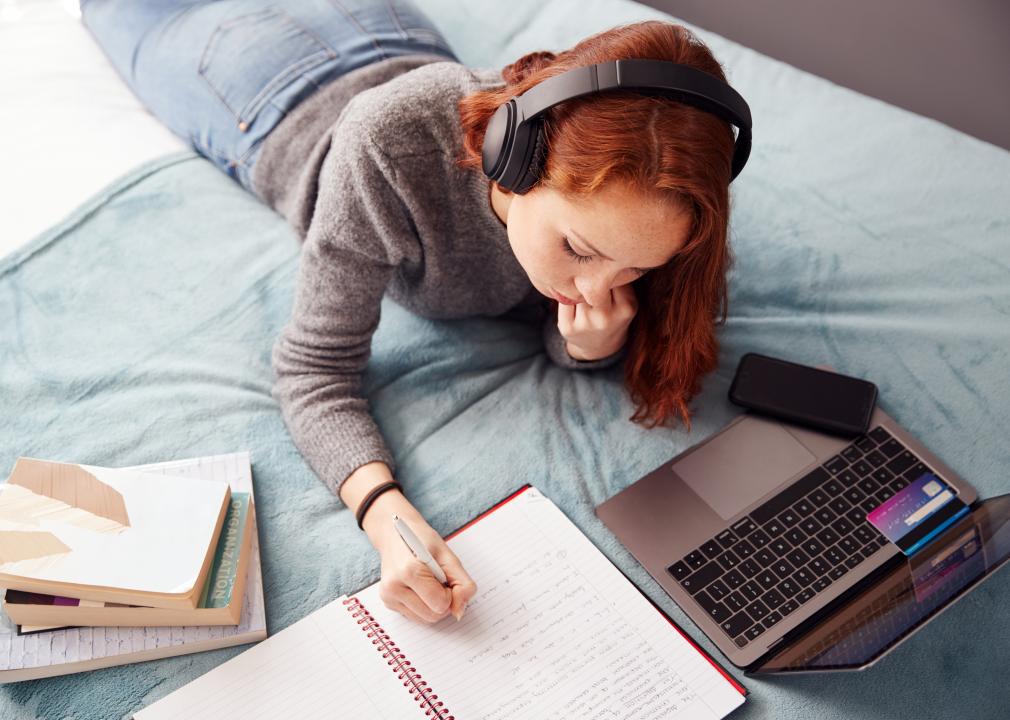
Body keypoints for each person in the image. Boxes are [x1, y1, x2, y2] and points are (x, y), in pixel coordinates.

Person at [81, 1, 745, 627]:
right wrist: (383, 514)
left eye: (635, 268)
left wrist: (592, 345)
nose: (600, 288)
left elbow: (585, 314)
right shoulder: (388, 150)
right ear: (514, 159)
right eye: (577, 249)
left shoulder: (647, 206)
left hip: (387, 30)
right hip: (259, 80)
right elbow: (314, 370)